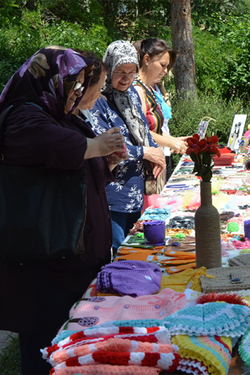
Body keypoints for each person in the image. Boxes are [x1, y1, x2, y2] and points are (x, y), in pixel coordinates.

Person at [0, 47, 125, 374]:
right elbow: (53, 145)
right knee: (46, 351)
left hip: (70, 263)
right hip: (46, 266)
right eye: (76, 84)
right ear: (52, 79)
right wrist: (97, 146)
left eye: (83, 85)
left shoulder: (57, 113)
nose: (80, 92)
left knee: (72, 348)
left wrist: (105, 160)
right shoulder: (23, 115)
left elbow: (73, 170)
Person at [91, 40, 166, 252]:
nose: (126, 78)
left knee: (135, 250)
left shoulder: (132, 94)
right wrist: (145, 152)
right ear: (108, 69)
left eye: (132, 72)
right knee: (117, 252)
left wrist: (156, 153)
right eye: (120, 72)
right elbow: (103, 145)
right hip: (112, 195)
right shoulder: (98, 99)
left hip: (136, 190)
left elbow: (142, 128)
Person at [132, 37, 186, 183]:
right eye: (162, 65)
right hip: (143, 169)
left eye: (167, 66)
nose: (165, 70)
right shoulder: (138, 89)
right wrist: (171, 143)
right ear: (147, 59)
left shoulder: (148, 88)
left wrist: (173, 140)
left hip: (154, 164)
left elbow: (155, 130)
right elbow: (140, 132)